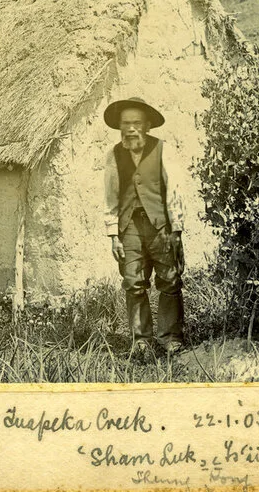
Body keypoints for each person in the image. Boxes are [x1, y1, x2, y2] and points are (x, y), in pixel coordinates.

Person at [103, 96, 185, 354]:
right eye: (125, 123)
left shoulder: (163, 149)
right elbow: (110, 195)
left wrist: (176, 229)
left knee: (170, 280)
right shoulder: (113, 155)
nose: (130, 128)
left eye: (136, 122)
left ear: (147, 125)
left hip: (160, 226)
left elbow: (174, 190)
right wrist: (113, 234)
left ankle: (171, 337)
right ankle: (141, 340)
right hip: (130, 228)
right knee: (133, 282)